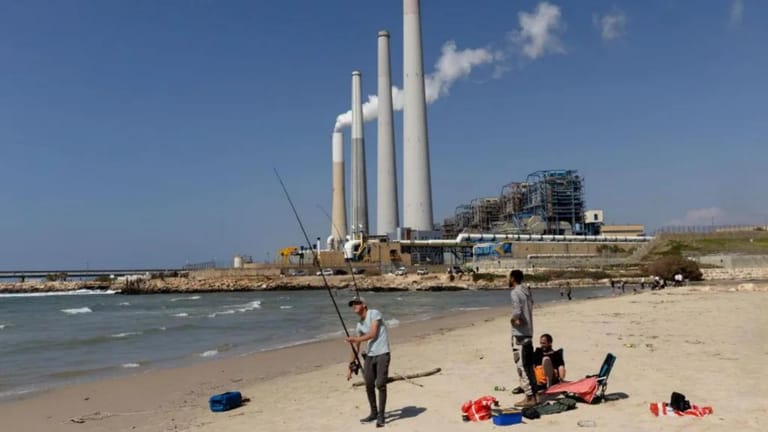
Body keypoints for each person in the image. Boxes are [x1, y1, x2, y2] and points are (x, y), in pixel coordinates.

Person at [345, 296, 390, 428]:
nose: (354, 306)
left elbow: (373, 334)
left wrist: (356, 339)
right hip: (370, 356)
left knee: (380, 384)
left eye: (357, 303)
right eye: (352, 304)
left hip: (382, 353)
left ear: (364, 305)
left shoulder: (374, 313)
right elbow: (356, 348)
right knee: (369, 384)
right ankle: (374, 413)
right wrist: (350, 367)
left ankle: (381, 415)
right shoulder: (359, 324)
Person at [508, 269, 538, 408]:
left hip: (520, 333)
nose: (508, 280)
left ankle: (529, 396)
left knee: (521, 365)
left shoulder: (515, 292)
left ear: (513, 278)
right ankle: (535, 395)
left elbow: (517, 310)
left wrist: (514, 319)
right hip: (529, 331)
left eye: (509, 277)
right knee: (529, 365)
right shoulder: (527, 292)